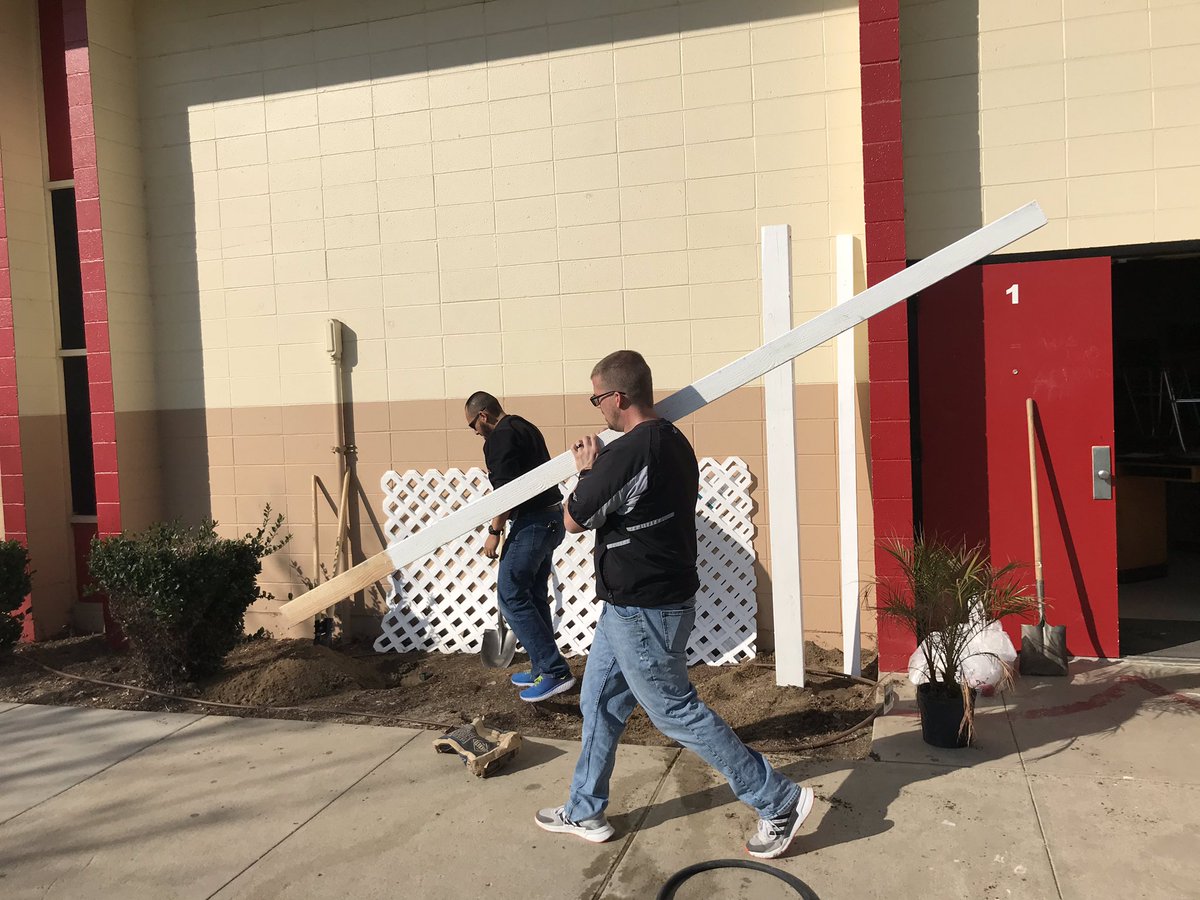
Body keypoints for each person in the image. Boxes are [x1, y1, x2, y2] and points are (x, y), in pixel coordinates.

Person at [533, 351, 814, 859]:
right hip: (630, 607)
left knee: (675, 712)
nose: (597, 408)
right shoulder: (674, 441)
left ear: (616, 398)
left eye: (597, 399)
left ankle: (778, 800)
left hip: (645, 609)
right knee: (598, 700)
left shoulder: (631, 451)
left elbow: (575, 517)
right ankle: (585, 808)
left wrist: (585, 467)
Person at [465, 392, 575, 702]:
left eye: (473, 424)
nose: (474, 432)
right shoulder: (525, 427)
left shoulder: (499, 437)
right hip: (551, 518)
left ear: (483, 415)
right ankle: (541, 666)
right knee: (533, 595)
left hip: (532, 522)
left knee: (511, 594)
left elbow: (507, 492)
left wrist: (494, 531)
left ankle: (554, 671)